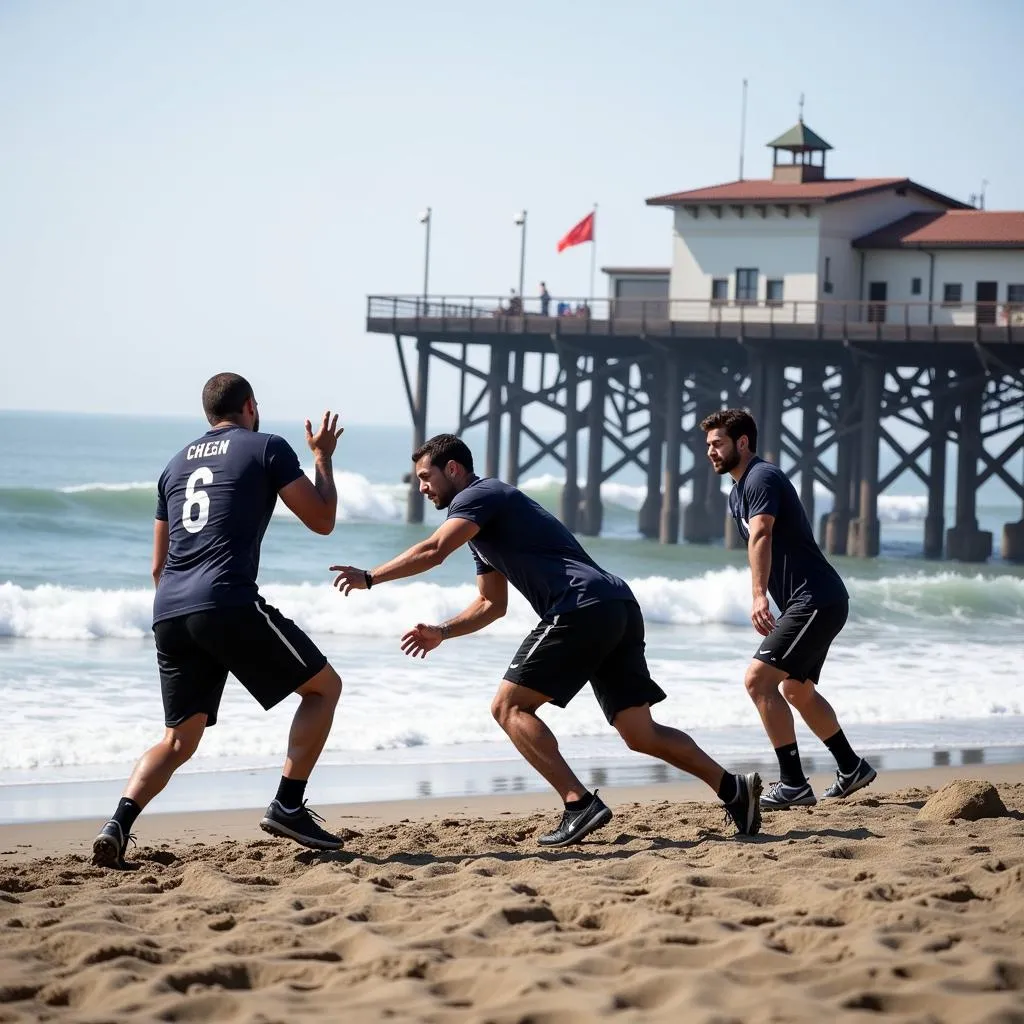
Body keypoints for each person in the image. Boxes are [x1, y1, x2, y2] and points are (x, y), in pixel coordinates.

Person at [328, 434, 762, 846]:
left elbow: (434, 550)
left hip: (580, 606)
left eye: (426, 476)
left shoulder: (477, 497)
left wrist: (371, 577)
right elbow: (490, 604)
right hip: (616, 604)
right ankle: (733, 788)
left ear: (454, 469)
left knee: (508, 706)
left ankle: (578, 803)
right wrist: (442, 631)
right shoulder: (482, 524)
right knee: (639, 731)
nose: (420, 487)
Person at [91, 373, 346, 867]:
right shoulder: (266, 447)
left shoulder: (173, 465)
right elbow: (322, 520)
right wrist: (322, 457)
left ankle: (117, 823)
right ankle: (288, 805)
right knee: (323, 689)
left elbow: (156, 567)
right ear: (250, 405)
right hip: (225, 601)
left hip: (168, 612)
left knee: (178, 738)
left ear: (209, 415)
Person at [701, 408, 876, 810]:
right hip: (819, 600)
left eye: (718, 443)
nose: (710, 451)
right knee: (795, 689)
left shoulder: (761, 477)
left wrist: (759, 595)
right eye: (708, 445)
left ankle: (794, 783)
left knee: (757, 681)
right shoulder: (736, 491)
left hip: (814, 598)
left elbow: (761, 532)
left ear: (742, 442)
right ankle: (852, 768)